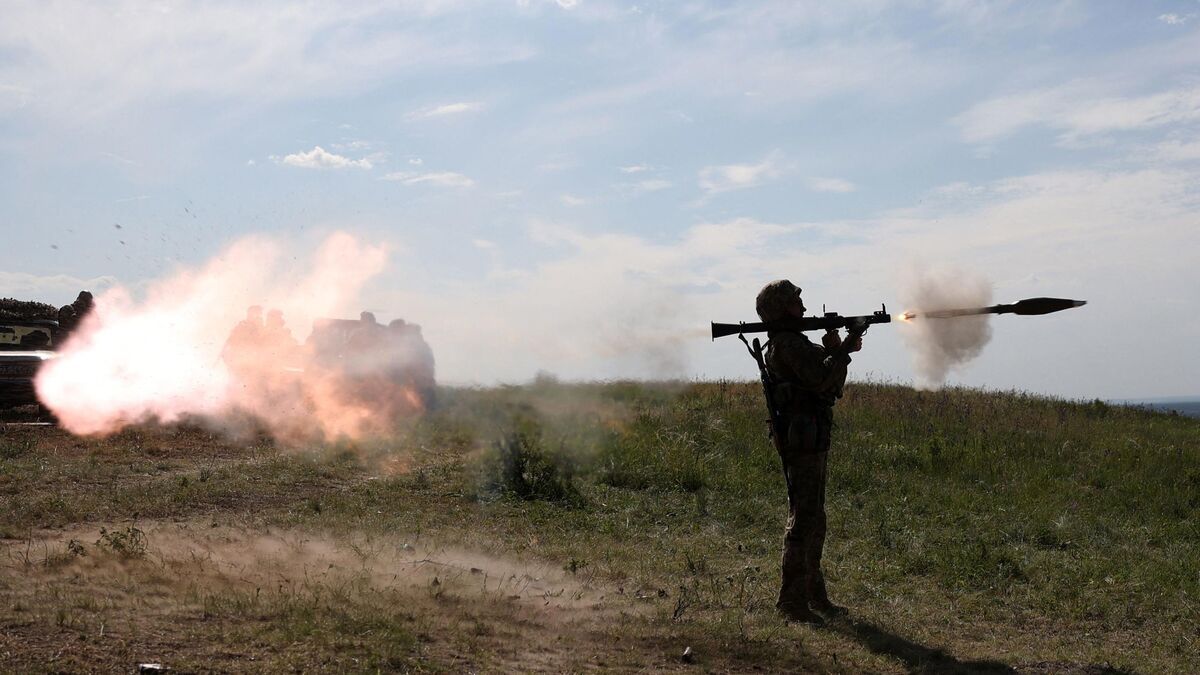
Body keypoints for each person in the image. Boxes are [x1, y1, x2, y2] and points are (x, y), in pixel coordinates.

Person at [755, 279, 862, 623]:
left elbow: (830, 380)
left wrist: (838, 348)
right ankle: (791, 601)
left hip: (810, 436)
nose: (803, 307)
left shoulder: (792, 343)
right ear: (782, 308)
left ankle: (813, 595)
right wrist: (840, 350)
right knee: (804, 519)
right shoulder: (787, 345)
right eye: (795, 302)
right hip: (801, 438)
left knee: (815, 517)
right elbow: (821, 379)